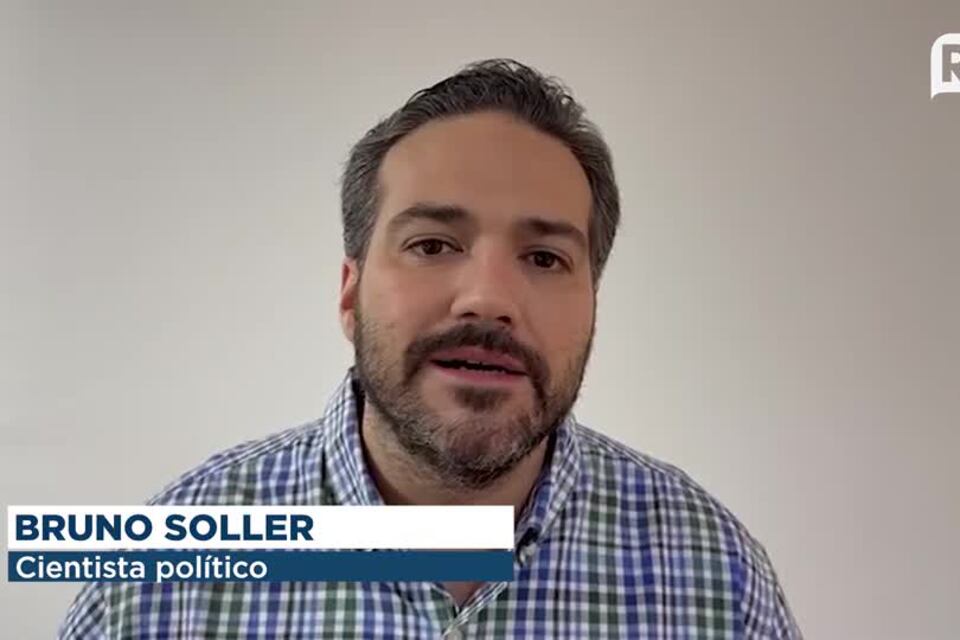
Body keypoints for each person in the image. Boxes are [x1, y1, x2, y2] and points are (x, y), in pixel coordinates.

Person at [60, 59, 802, 639]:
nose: (489, 298)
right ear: (350, 292)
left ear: (593, 307)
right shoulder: (160, 580)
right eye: (433, 244)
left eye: (545, 258)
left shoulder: (717, 574)